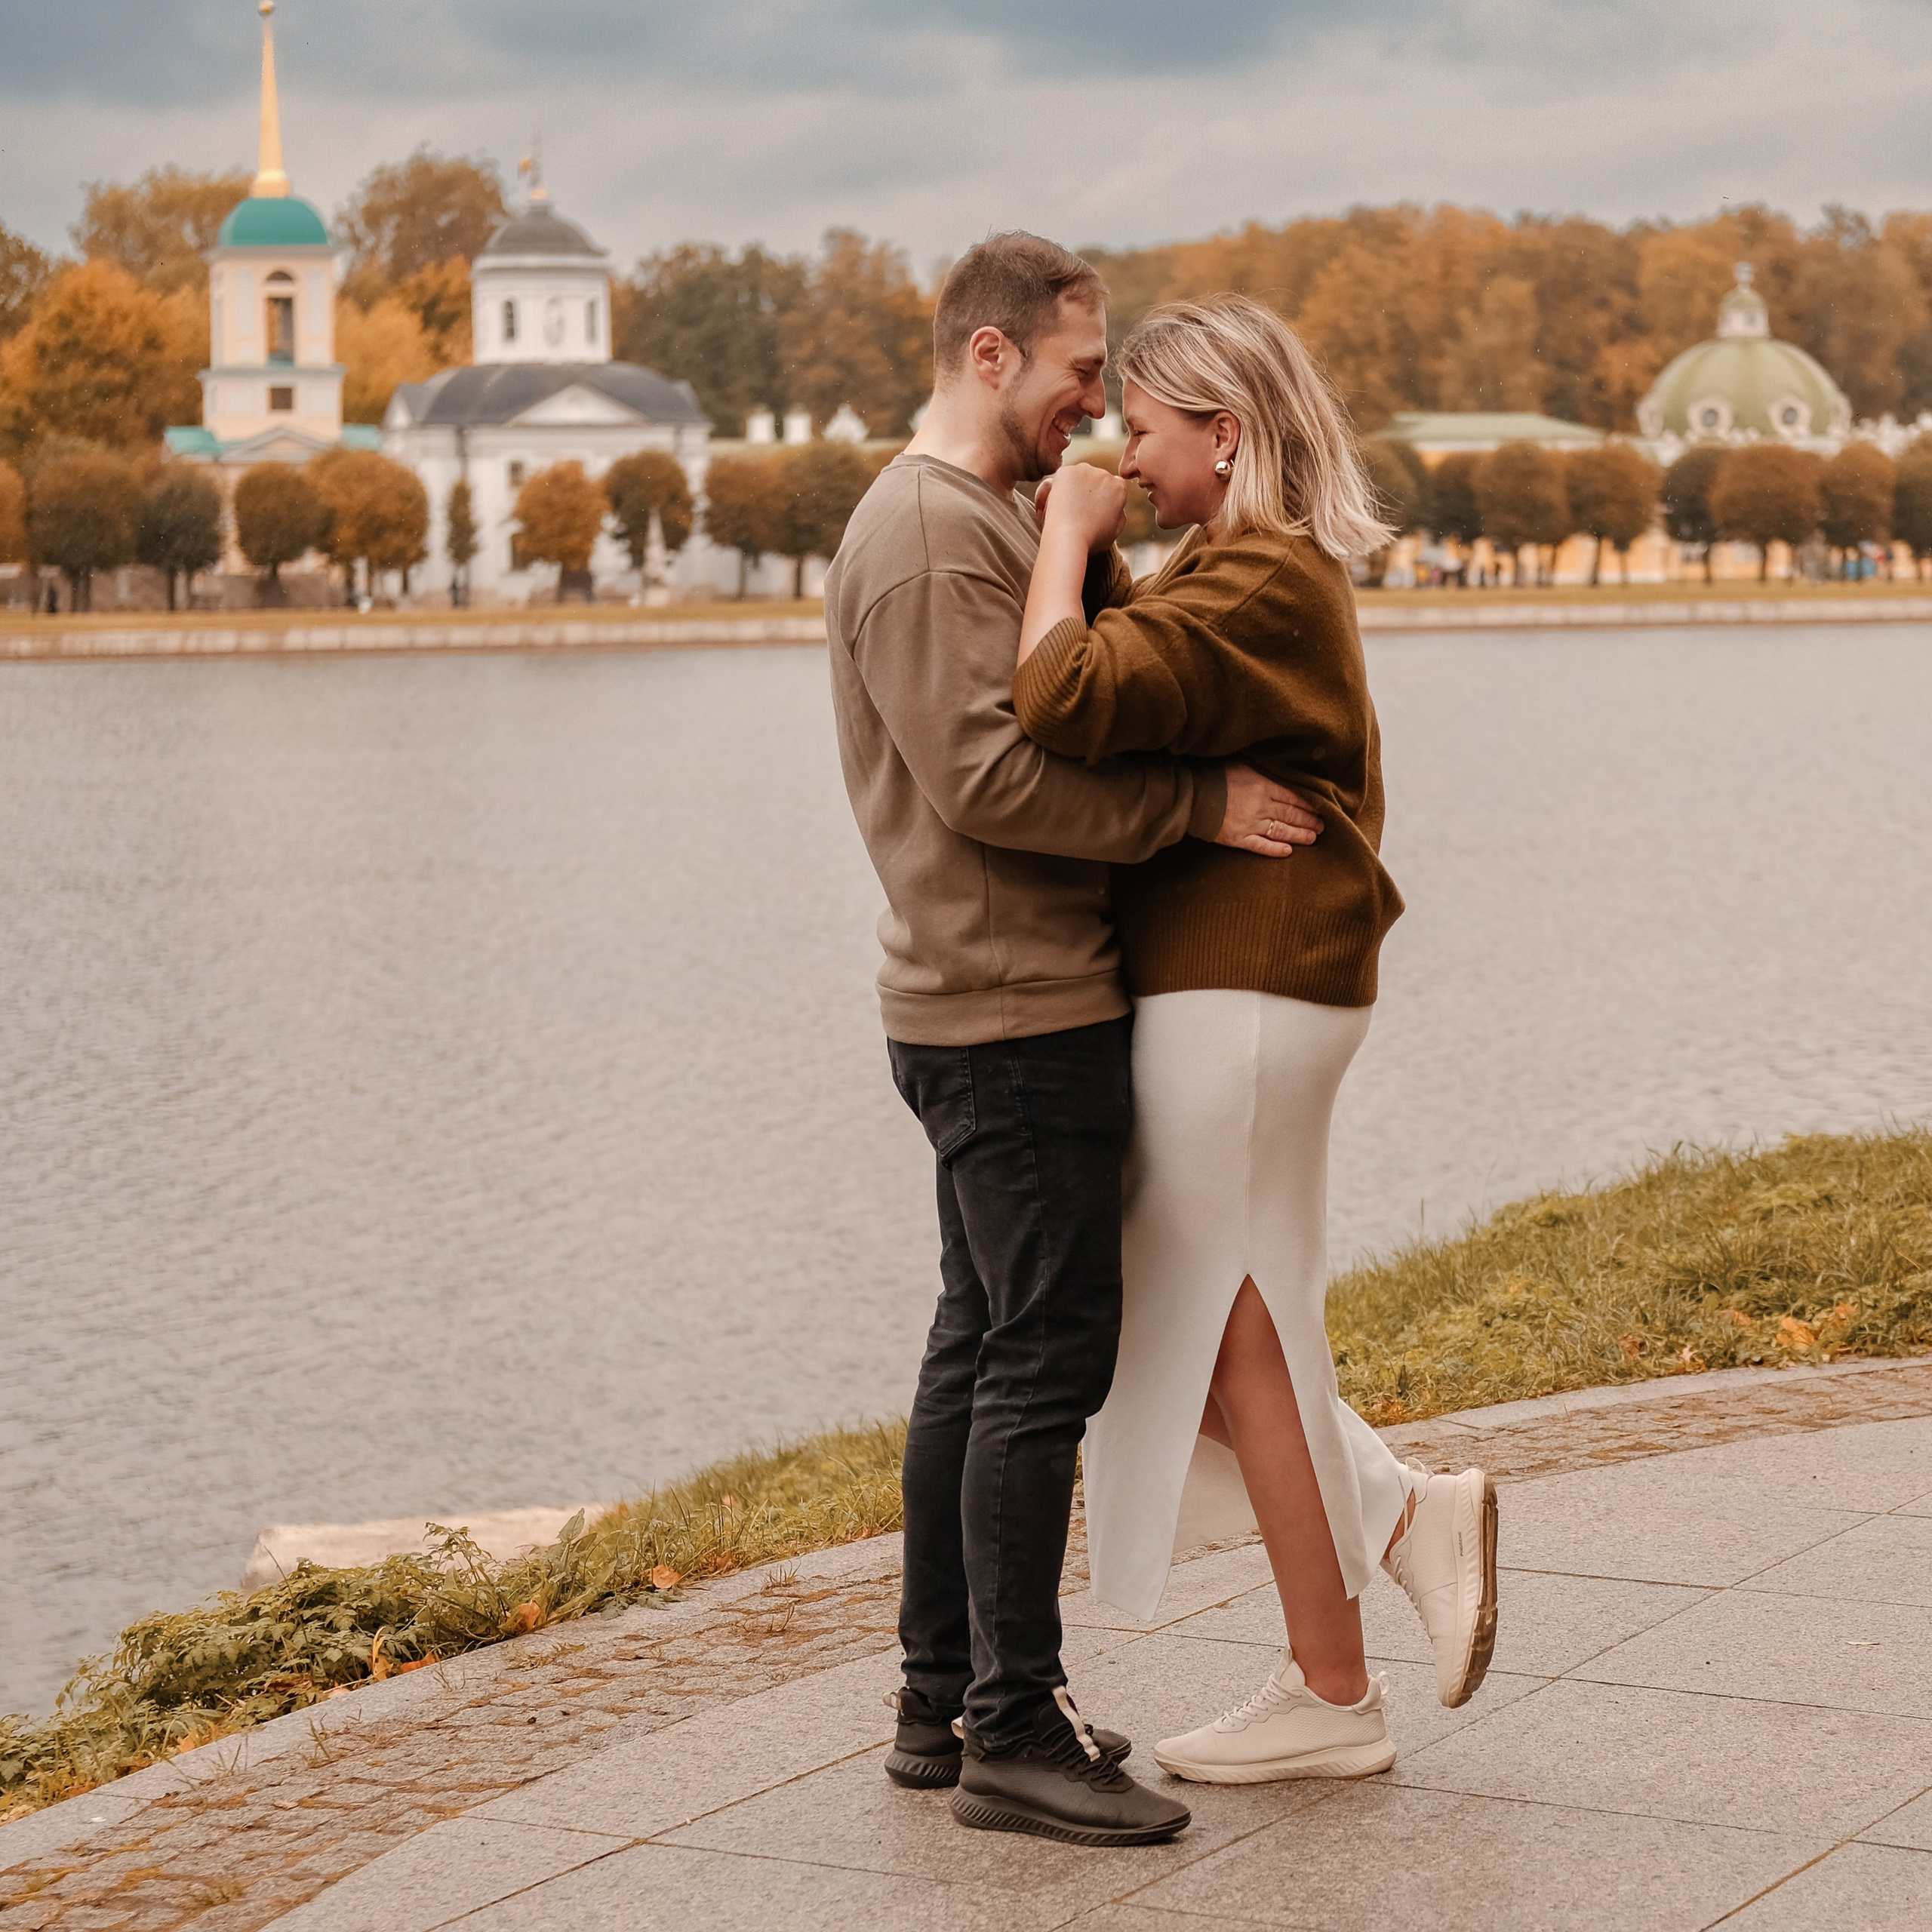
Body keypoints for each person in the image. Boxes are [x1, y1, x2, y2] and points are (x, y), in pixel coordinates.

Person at [824, 237, 1322, 1846]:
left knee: (979, 1347)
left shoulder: (988, 520)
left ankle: (940, 1699)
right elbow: (988, 780)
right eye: (1074, 373)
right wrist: (1199, 803)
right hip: (1005, 1008)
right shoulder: (920, 533)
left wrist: (1084, 549)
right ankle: (1010, 1725)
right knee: (1037, 1358)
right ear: (986, 356)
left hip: (1004, 999)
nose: (1093, 407)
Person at [1011, 294, 1499, 1785]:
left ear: (1222, 436)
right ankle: (1379, 1566)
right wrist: (1102, 545)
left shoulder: (1262, 577)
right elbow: (1128, 676)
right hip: (1248, 978)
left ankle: (1340, 1670)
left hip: (1249, 982)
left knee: (1231, 1330)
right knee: (1219, 1330)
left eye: (1144, 434)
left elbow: (1057, 692)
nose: (1122, 453)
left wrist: (1058, 533)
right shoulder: (1232, 570)